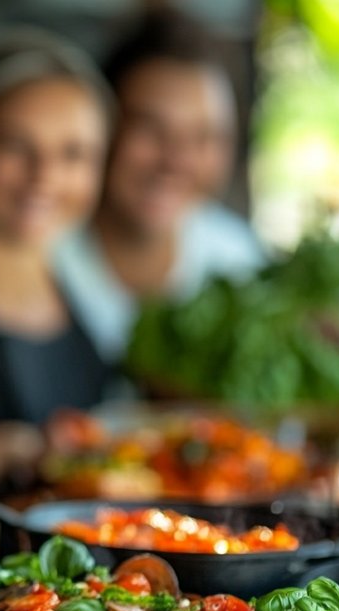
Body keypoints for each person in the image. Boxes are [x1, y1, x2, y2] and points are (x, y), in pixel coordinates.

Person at [53, 7, 268, 365]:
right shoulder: (38, 256)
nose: (176, 161)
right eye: (151, 130)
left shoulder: (239, 263)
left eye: (203, 137)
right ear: (101, 128)